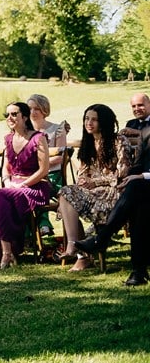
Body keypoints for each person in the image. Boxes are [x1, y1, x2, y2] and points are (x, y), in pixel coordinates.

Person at [75, 93, 150, 286]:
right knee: (137, 204)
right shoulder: (134, 127)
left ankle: (101, 239)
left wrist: (140, 176)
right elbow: (139, 163)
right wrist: (134, 176)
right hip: (142, 186)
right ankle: (138, 272)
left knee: (134, 189)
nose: (136, 109)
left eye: (141, 105)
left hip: (145, 182)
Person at [56, 104, 133, 272]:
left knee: (67, 197)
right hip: (92, 194)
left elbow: (122, 174)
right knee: (66, 194)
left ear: (104, 122)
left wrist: (96, 182)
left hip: (114, 194)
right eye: (86, 119)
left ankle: (79, 253)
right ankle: (77, 250)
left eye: (94, 119)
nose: (89, 123)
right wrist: (83, 181)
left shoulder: (118, 141)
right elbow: (84, 173)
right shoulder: (88, 143)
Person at [0, 102, 52, 269]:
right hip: (13, 187)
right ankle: (7, 253)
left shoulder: (38, 138)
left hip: (35, 187)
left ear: (24, 117)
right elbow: (5, 168)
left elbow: (44, 170)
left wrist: (23, 184)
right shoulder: (8, 139)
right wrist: (8, 182)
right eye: (7, 115)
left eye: (14, 114)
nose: (9, 118)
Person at [27, 93, 69, 239]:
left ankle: (43, 224)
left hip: (53, 176)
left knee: (39, 186)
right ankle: (26, 233)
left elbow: (60, 156)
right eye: (29, 109)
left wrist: (41, 164)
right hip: (31, 176)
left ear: (44, 110)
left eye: (36, 109)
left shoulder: (57, 129)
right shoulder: (25, 132)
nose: (32, 112)